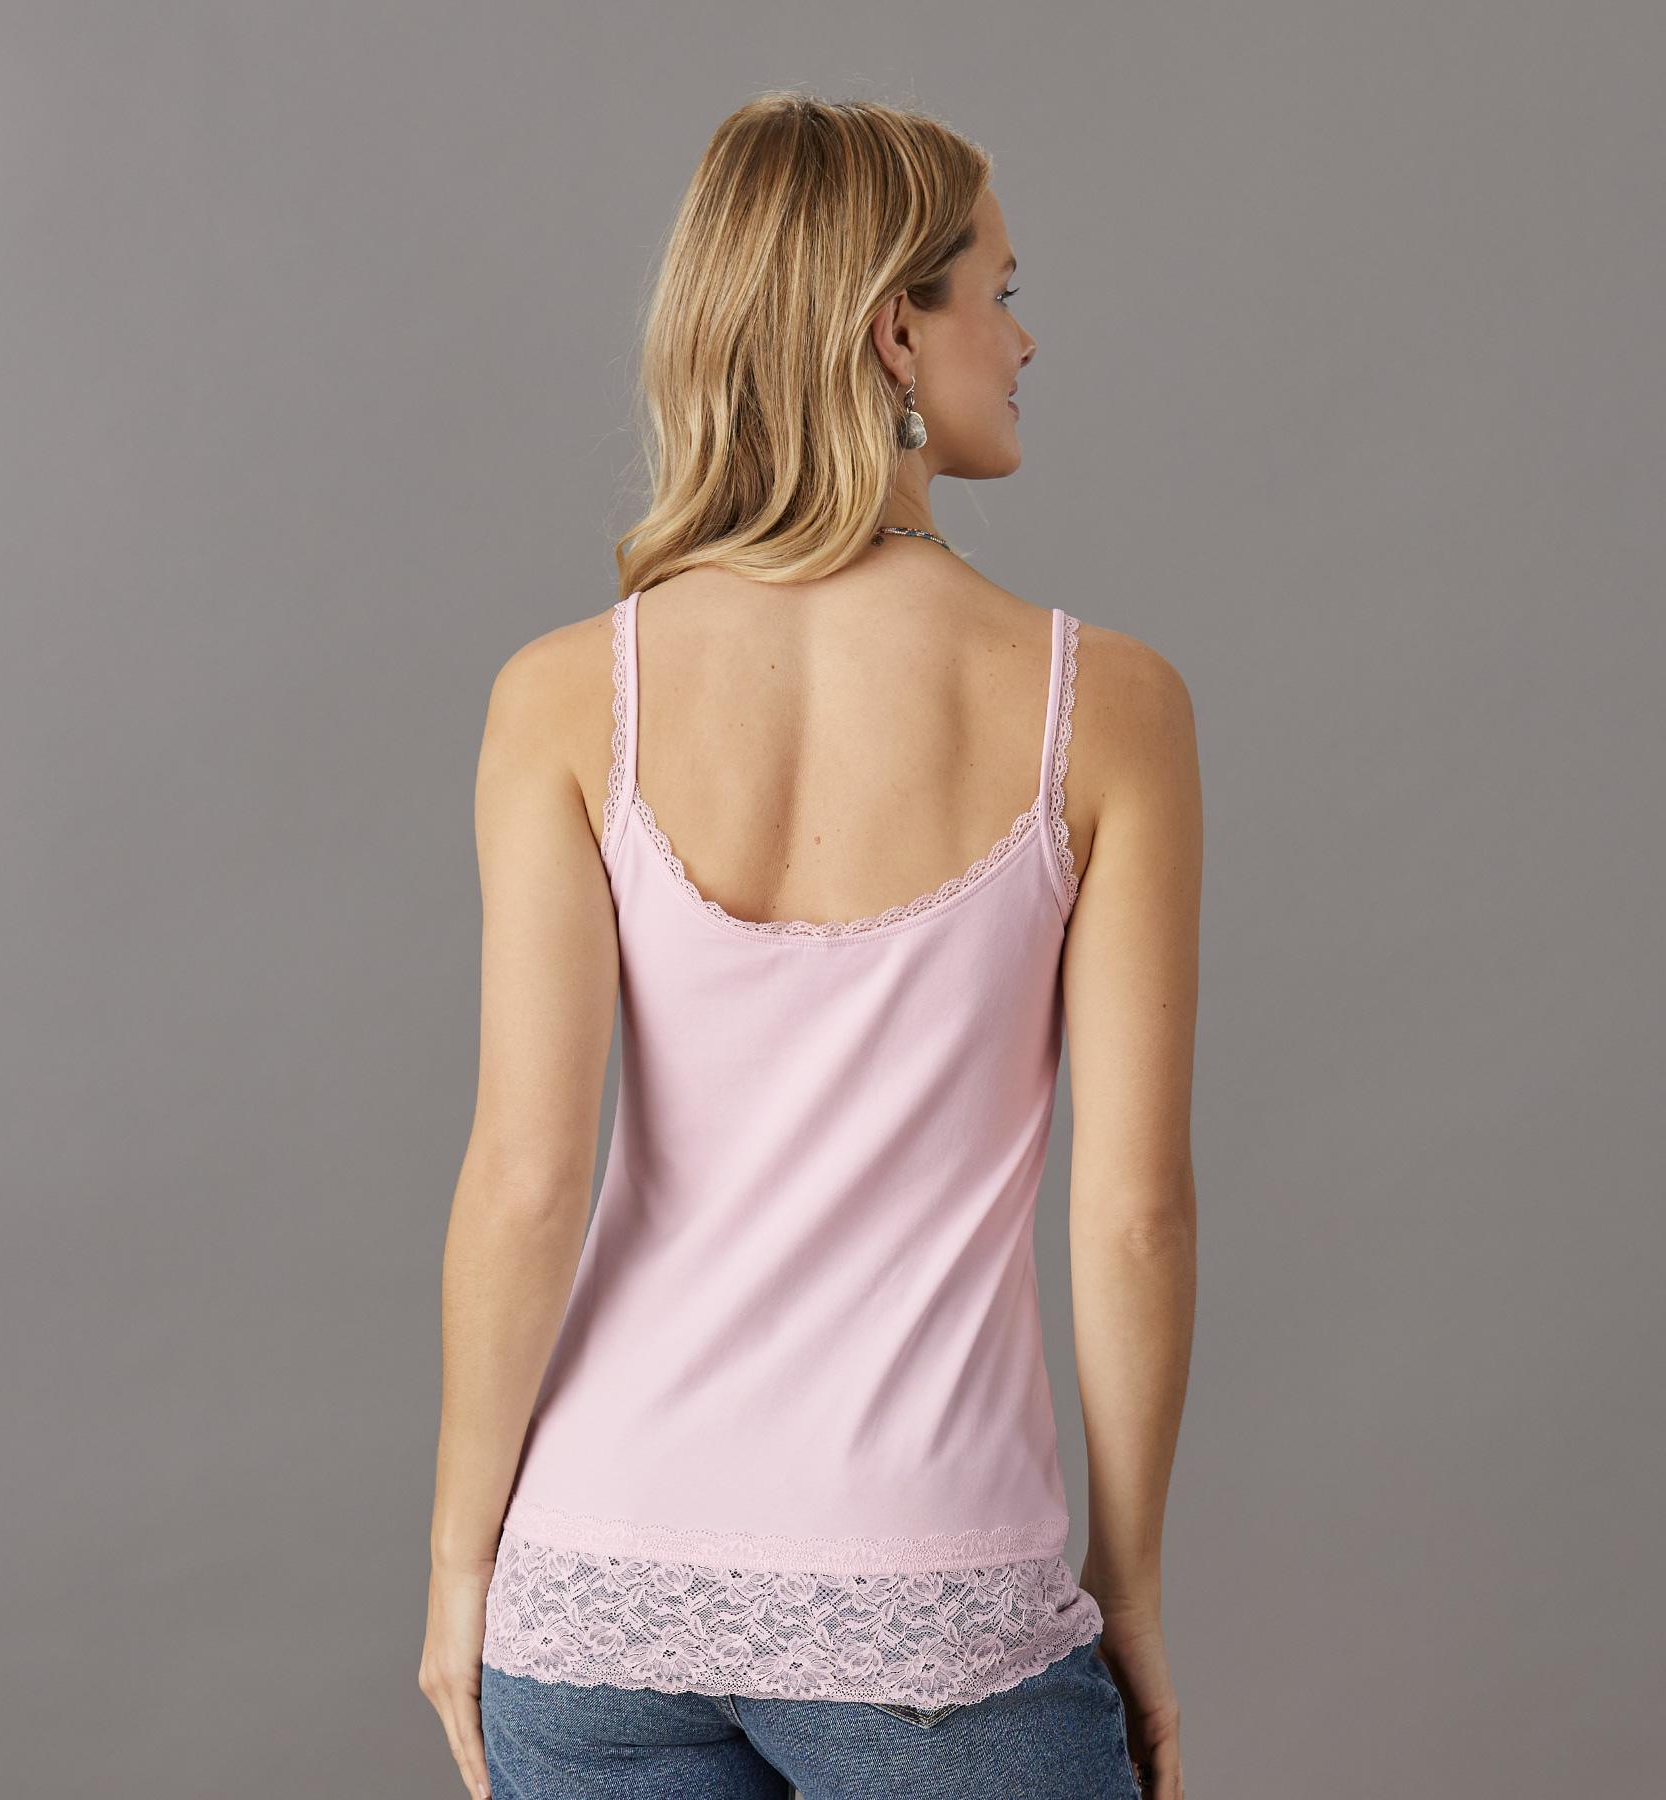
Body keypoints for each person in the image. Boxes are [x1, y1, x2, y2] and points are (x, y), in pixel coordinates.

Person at [418, 91, 1199, 1800]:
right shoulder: (1104, 707)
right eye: (998, 291)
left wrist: (464, 1565)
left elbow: (526, 1182)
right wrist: (1131, 1589)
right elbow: (1132, 1213)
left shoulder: (566, 694)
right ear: (893, 332)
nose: (1025, 338)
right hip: (933, 1601)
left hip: (596, 1594)